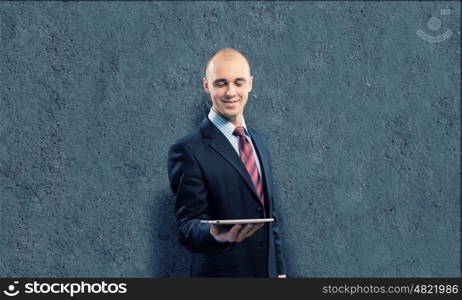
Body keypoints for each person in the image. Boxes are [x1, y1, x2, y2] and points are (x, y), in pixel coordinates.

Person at [167, 48, 286, 277]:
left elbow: (270, 215)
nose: (231, 92)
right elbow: (186, 228)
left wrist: (279, 271)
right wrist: (216, 233)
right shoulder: (187, 150)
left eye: (239, 82)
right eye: (221, 83)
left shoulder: (259, 143)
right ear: (206, 85)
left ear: (250, 84)